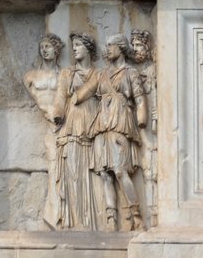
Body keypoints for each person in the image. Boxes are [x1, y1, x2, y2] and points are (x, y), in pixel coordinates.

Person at [84, 34, 148, 230]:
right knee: (105, 173)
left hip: (121, 122)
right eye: (107, 45)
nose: (107, 49)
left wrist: (142, 119)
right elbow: (88, 92)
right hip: (102, 123)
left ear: (121, 48)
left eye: (111, 45)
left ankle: (135, 213)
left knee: (120, 171)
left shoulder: (130, 73)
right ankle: (112, 218)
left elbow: (139, 98)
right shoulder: (102, 74)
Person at [52, 34, 99, 230]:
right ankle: (74, 220)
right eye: (73, 46)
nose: (75, 49)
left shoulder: (99, 74)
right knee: (72, 173)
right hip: (72, 126)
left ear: (88, 48)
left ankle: (93, 221)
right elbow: (60, 97)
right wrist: (57, 116)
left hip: (94, 125)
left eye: (79, 45)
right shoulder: (67, 73)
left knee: (95, 174)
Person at [25, 34, 64, 228]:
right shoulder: (30, 76)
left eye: (48, 46)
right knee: (53, 164)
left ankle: (57, 211)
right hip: (46, 124)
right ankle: (52, 212)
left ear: (57, 50)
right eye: (42, 46)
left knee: (58, 167)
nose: (44, 50)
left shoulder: (63, 74)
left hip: (60, 124)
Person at [130, 29, 158, 226]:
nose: (135, 50)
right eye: (133, 46)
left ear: (147, 48)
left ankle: (154, 213)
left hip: (151, 126)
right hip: (132, 125)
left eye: (139, 45)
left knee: (151, 170)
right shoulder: (131, 72)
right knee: (143, 168)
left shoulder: (154, 71)